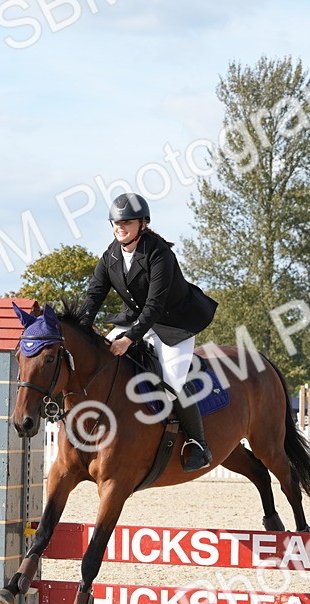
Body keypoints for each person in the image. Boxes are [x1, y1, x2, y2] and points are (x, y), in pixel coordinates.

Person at [80, 193, 219, 472]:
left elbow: (155, 305)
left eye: (127, 222)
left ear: (143, 223)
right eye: (116, 222)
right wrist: (81, 328)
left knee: (170, 385)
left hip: (173, 324)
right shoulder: (111, 255)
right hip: (134, 319)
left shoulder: (159, 253)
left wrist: (129, 339)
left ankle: (198, 443)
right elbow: (94, 295)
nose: (121, 227)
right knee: (97, 364)